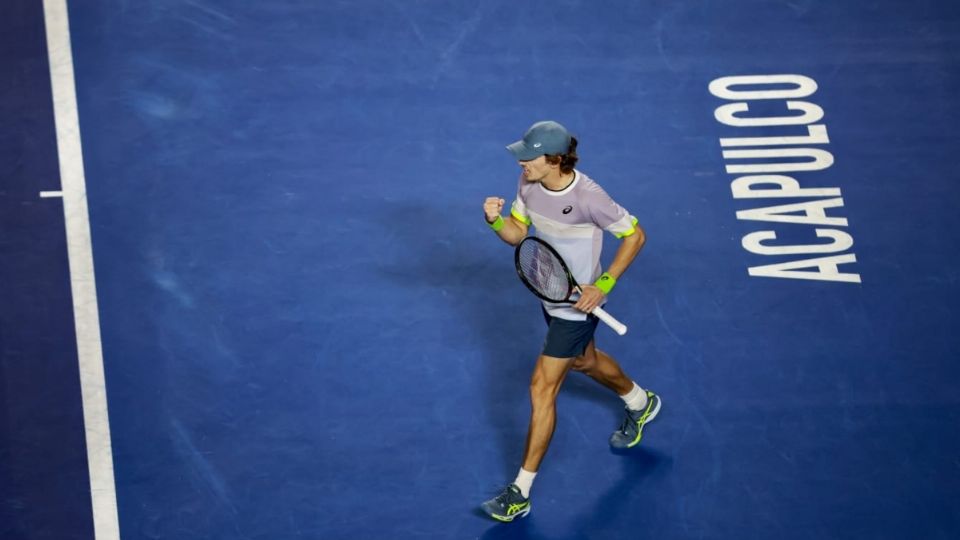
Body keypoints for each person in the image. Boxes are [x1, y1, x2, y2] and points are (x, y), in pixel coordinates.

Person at [479, 120, 661, 522]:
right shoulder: (527, 184)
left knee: (542, 387)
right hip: (553, 294)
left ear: (555, 160)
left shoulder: (590, 198)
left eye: (530, 156)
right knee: (584, 361)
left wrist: (605, 282)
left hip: (576, 309)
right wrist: (495, 221)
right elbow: (517, 235)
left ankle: (519, 492)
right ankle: (640, 401)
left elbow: (635, 236)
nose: (521, 162)